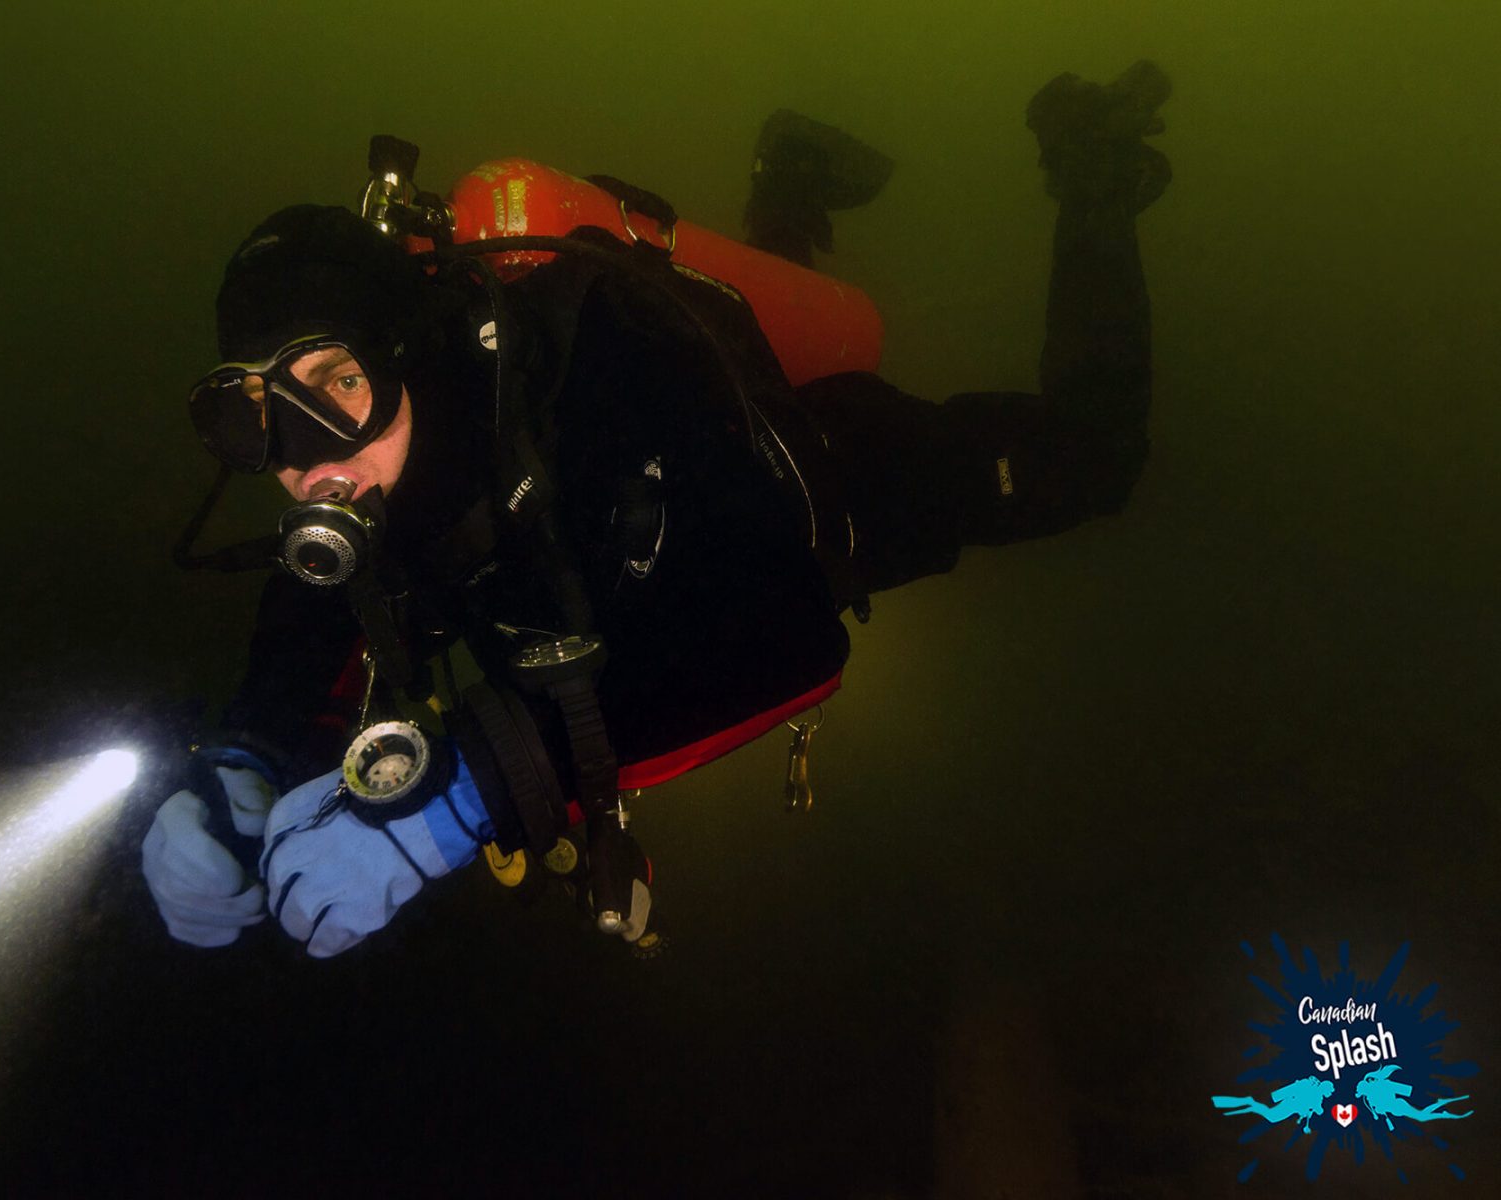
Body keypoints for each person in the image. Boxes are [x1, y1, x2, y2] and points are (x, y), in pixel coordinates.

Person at [142, 62, 1173, 957]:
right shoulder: (365, 475)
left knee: (1093, 461)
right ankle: (793, 192)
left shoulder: (595, 366)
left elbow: (778, 628)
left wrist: (471, 794)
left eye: (335, 382)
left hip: (832, 473)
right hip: (691, 445)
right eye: (252, 420)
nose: (306, 462)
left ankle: (1096, 167)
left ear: (407, 354)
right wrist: (249, 754)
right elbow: (313, 612)